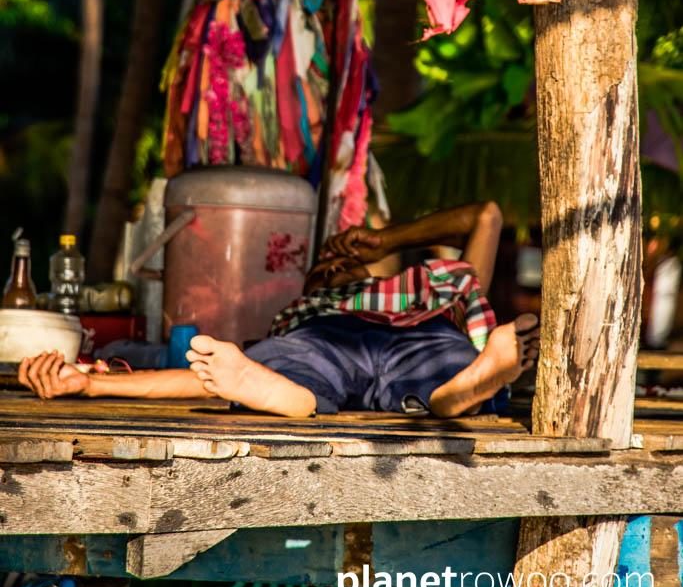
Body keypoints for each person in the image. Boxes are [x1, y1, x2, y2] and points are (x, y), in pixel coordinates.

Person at [18, 202, 540, 419]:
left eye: (345, 263)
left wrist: (385, 239)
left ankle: (458, 393)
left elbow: (486, 215)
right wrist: (91, 385)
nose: (337, 267)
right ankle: (287, 395)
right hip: (321, 341)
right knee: (267, 365)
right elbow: (200, 377)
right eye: (325, 268)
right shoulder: (306, 316)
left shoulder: (438, 293)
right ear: (310, 287)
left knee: (448, 363)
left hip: (426, 337)